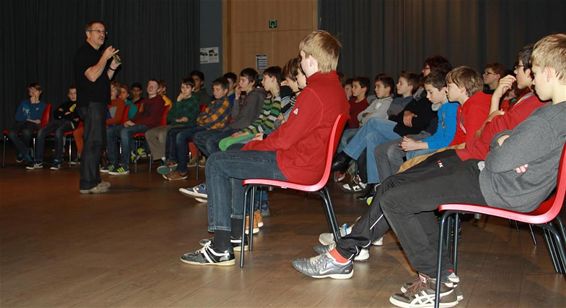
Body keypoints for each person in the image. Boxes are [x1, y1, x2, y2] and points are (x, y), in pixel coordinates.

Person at [291, 38, 558, 307]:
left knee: (396, 198)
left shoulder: (550, 118)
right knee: (393, 186)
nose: (533, 79)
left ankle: (433, 280)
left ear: (549, 70)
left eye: (534, 71)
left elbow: (496, 154)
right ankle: (434, 269)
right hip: (487, 174)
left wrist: (502, 142)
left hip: (494, 182)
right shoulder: (549, 111)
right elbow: (495, 142)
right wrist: (503, 140)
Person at [179, 30, 349, 266]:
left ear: (311, 58)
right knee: (234, 160)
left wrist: (254, 145)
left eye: (301, 58)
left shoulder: (314, 92)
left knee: (217, 162)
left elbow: (284, 140)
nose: (300, 63)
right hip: (308, 163)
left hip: (294, 165)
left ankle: (220, 247)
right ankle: (236, 235)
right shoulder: (335, 90)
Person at [74, 20, 120, 194]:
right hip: (91, 104)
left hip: (98, 103)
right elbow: (92, 76)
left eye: (104, 32)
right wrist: (104, 58)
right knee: (92, 143)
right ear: (88, 34)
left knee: (97, 143)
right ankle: (87, 183)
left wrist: (112, 68)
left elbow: (102, 80)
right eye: (98, 31)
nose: (102, 34)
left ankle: (94, 180)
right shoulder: (84, 53)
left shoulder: (95, 54)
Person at [162, 78, 232, 180]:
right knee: (174, 132)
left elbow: (211, 120)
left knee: (181, 136)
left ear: (225, 91)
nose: (214, 92)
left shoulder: (225, 103)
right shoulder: (213, 103)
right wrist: (202, 119)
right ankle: (173, 161)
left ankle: (182, 171)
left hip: (211, 129)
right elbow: (200, 116)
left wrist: (202, 120)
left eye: (218, 89)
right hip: (203, 126)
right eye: (213, 89)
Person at [192, 68, 265, 158]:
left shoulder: (255, 96)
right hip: (233, 127)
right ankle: (217, 160)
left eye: (243, 80)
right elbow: (235, 115)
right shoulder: (245, 96)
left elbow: (246, 120)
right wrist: (237, 98)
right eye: (240, 80)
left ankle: (219, 162)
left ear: (252, 82)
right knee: (198, 137)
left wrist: (236, 130)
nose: (240, 83)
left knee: (211, 142)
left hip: (240, 129)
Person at [106, 79, 165, 175]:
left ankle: (125, 166)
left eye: (153, 86)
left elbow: (152, 119)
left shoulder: (159, 100)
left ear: (158, 89)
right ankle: (113, 163)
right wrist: (130, 121)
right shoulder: (145, 101)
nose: (150, 87)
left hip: (150, 126)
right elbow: (138, 115)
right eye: (149, 85)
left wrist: (135, 123)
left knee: (125, 132)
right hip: (139, 124)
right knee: (110, 131)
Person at [145, 78, 200, 166]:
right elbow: (170, 116)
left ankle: (171, 159)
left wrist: (181, 116)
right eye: (182, 87)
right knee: (149, 133)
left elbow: (190, 117)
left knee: (164, 133)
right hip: (175, 124)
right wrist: (178, 104)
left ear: (193, 89)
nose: (184, 90)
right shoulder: (178, 100)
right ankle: (162, 157)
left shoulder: (194, 100)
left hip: (187, 126)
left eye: (187, 87)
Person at [28, 86, 80, 170]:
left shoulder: (80, 104)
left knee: (59, 131)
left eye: (75, 93)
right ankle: (38, 161)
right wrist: (66, 114)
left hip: (71, 123)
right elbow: (56, 114)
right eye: (71, 93)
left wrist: (65, 114)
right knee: (41, 131)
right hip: (58, 122)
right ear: (68, 95)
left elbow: (76, 116)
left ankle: (57, 161)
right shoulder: (65, 104)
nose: (73, 95)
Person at [8, 83, 46, 165]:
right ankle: (26, 152)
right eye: (30, 91)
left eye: (35, 90)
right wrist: (30, 118)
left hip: (31, 125)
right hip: (20, 122)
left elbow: (38, 119)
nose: (32, 92)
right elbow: (17, 117)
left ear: (40, 92)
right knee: (11, 134)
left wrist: (32, 106)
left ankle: (23, 155)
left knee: (26, 132)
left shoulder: (43, 105)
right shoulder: (24, 103)